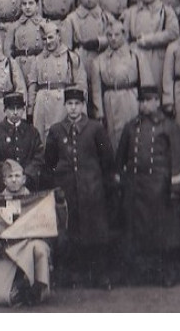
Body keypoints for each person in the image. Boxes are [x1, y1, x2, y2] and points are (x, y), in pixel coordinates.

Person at [42, 86, 114, 290]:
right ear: (65, 106)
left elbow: (106, 159)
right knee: (70, 234)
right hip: (68, 191)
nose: (73, 108)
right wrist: (56, 186)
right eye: (69, 104)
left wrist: (101, 184)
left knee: (96, 233)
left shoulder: (95, 129)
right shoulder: (56, 130)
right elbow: (49, 162)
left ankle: (101, 276)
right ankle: (73, 275)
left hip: (92, 190)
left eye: (77, 104)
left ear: (83, 106)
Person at [115, 85, 180, 286]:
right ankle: (142, 274)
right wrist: (121, 180)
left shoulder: (169, 126)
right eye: (142, 101)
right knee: (137, 233)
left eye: (150, 100)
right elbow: (121, 158)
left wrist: (175, 186)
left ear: (157, 102)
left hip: (160, 188)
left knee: (163, 234)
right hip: (136, 188)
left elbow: (178, 159)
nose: (145, 105)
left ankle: (166, 274)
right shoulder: (131, 126)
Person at [0, 158, 53, 307]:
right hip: (6, 252)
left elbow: (47, 225)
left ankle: (36, 287)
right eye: (10, 177)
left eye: (17, 176)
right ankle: (19, 288)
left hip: (29, 249)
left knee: (40, 247)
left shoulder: (33, 201)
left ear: (24, 179)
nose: (14, 180)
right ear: (4, 180)